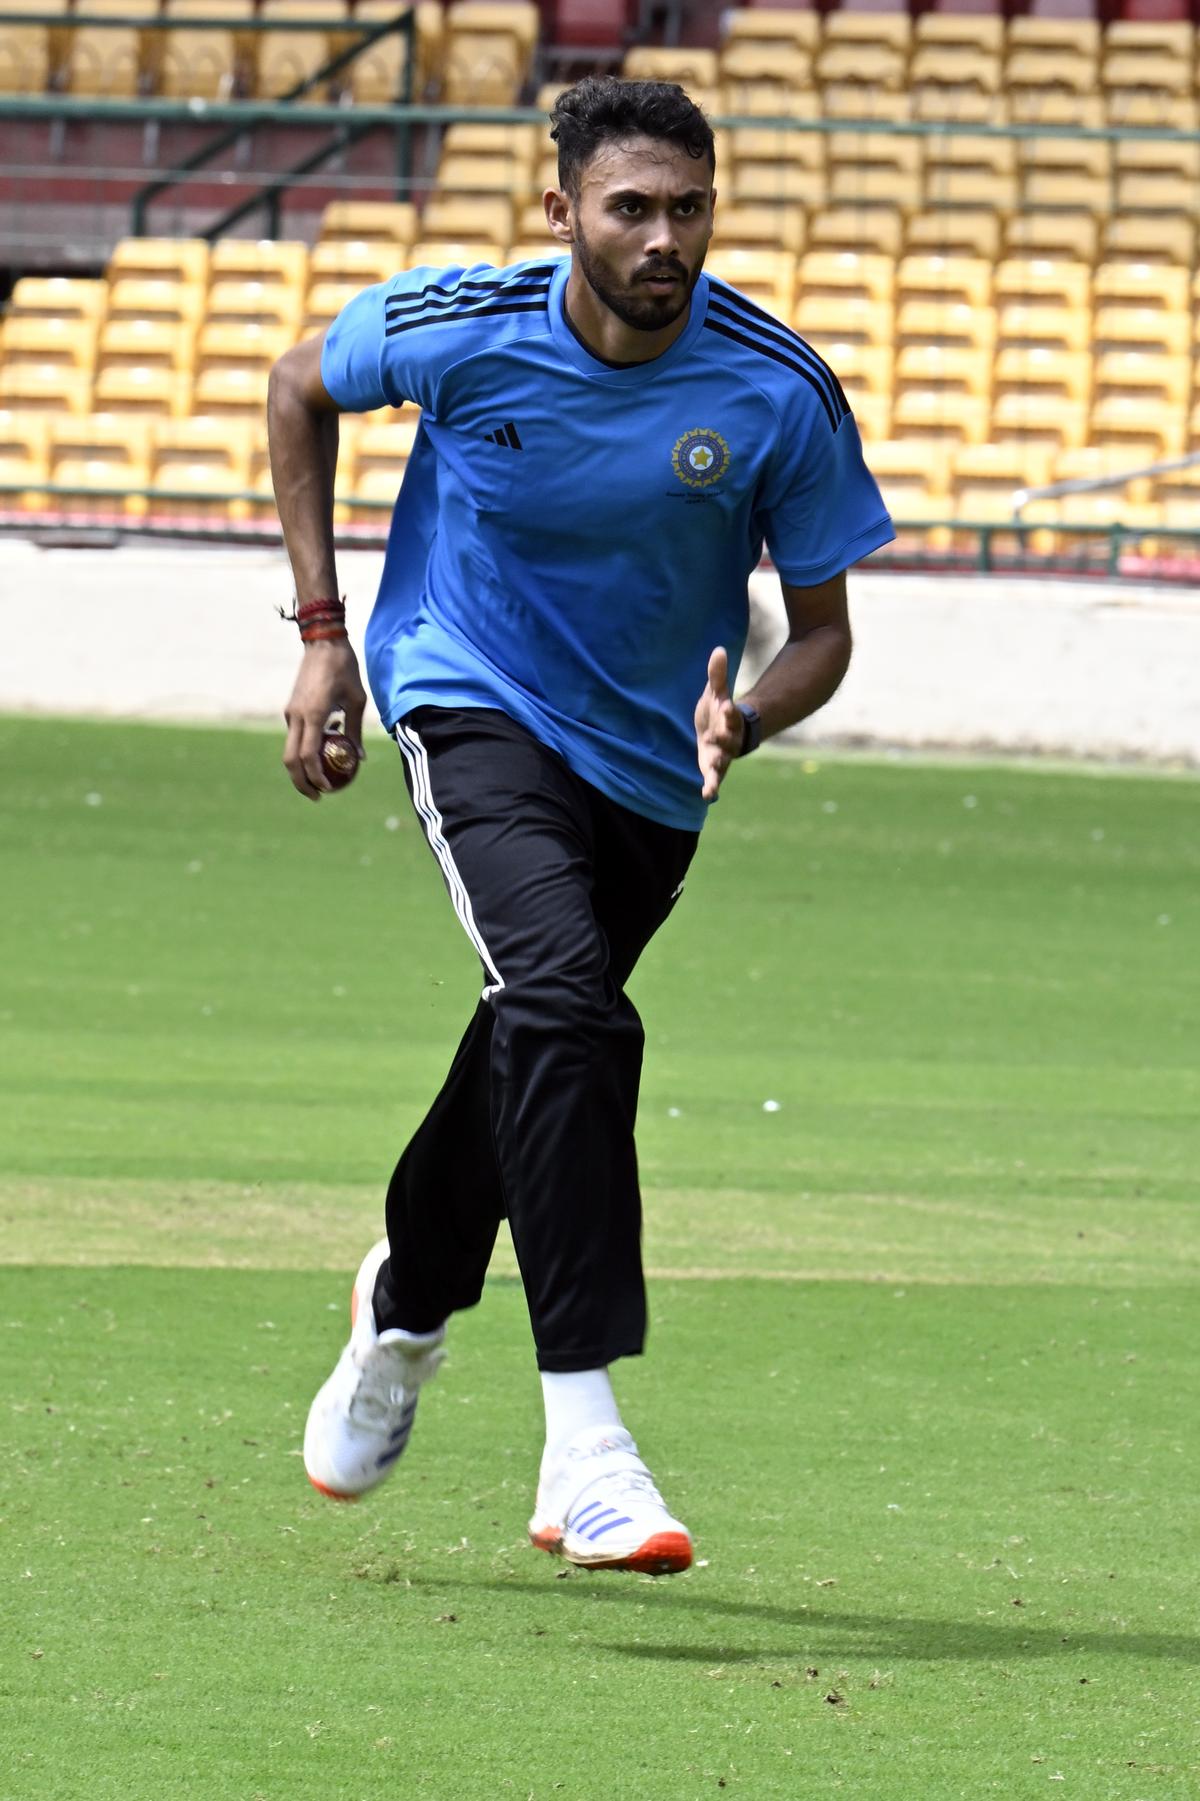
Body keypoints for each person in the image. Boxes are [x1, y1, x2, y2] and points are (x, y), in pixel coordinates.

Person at [268, 75, 893, 1575]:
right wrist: (322, 636)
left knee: (533, 1033)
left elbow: (823, 633)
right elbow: (297, 387)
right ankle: (585, 1440)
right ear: (562, 212)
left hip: (654, 774)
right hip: (467, 695)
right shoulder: (462, 326)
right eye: (632, 208)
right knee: (563, 1004)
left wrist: (748, 719)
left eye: (689, 208)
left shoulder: (776, 390)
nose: (664, 237)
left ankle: (403, 1313)